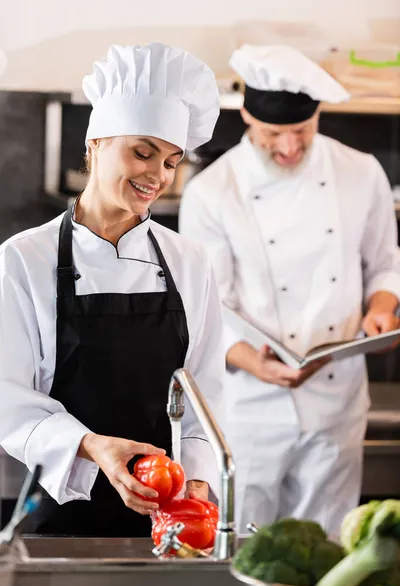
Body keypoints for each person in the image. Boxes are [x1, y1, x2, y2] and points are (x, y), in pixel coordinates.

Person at [0, 42, 225, 536]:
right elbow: (8, 396)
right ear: (96, 141)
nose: (157, 175)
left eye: (170, 161)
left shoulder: (189, 260)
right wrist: (94, 447)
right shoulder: (24, 259)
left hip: (166, 510)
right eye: (142, 152)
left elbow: (207, 392)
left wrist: (198, 484)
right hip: (64, 503)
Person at [179, 44, 400, 536]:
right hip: (248, 404)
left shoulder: (361, 172)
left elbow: (385, 265)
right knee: (245, 542)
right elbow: (207, 307)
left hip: (337, 397)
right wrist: (252, 360)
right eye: (273, 134)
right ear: (246, 121)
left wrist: (381, 312)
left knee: (328, 543)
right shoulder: (212, 192)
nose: (289, 147)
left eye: (302, 131)